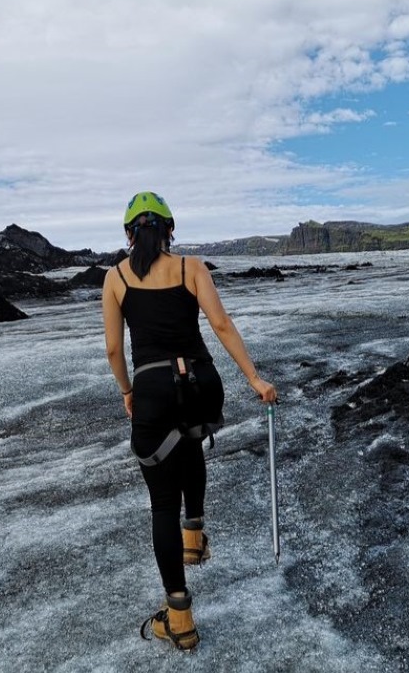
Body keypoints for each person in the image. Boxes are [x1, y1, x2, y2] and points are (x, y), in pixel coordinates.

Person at [102, 191, 277, 651]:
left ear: (128, 234)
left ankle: (179, 618)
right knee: (191, 439)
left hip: (155, 391)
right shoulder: (191, 268)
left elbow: (115, 350)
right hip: (202, 384)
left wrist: (127, 391)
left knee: (162, 502)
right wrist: (254, 379)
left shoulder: (115, 279)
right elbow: (220, 325)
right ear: (170, 230)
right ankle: (194, 534)